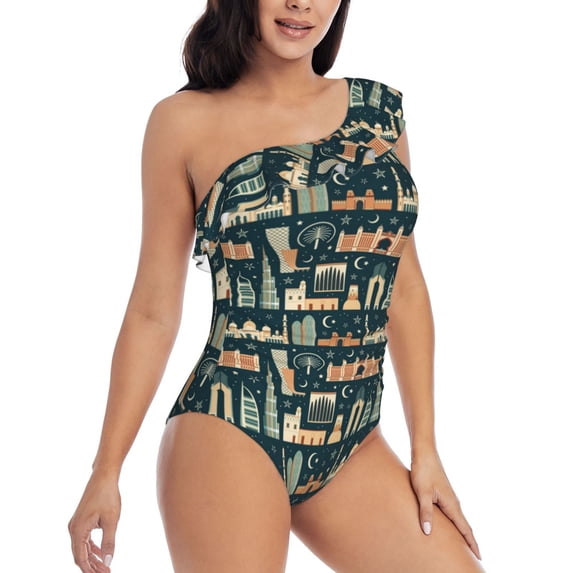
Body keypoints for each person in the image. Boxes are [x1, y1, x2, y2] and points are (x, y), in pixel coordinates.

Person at [68, 1, 486, 571]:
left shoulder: (377, 114)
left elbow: (403, 288)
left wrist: (426, 450)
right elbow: (152, 312)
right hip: (231, 428)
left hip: (353, 442)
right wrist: (106, 470)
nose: (301, 3)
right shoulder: (183, 121)